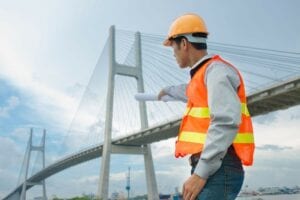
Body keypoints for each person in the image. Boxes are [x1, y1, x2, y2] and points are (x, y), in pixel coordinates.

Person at [159, 13, 255, 200]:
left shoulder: (217, 71)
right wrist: (165, 91)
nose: (173, 53)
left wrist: (200, 173)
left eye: (173, 47)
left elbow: (225, 121)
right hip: (215, 166)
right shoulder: (203, 76)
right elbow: (187, 91)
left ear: (184, 44)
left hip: (219, 167)